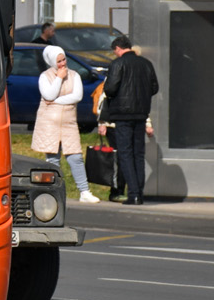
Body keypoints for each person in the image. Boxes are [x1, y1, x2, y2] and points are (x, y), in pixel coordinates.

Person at [32, 44, 99, 202]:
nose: (63, 64)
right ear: (52, 62)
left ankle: (84, 192)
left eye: (63, 60)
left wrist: (55, 101)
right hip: (48, 123)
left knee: (75, 156)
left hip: (68, 122)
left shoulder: (74, 75)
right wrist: (59, 78)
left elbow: (77, 96)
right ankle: (53, 191)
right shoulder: (45, 77)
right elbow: (48, 94)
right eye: (59, 61)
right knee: (53, 157)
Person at [101, 35, 159, 205]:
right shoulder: (146, 64)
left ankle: (133, 194)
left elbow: (110, 88)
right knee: (138, 154)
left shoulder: (117, 64)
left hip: (122, 115)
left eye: (115, 51)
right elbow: (154, 87)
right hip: (141, 114)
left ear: (118, 48)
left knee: (125, 153)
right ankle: (139, 193)